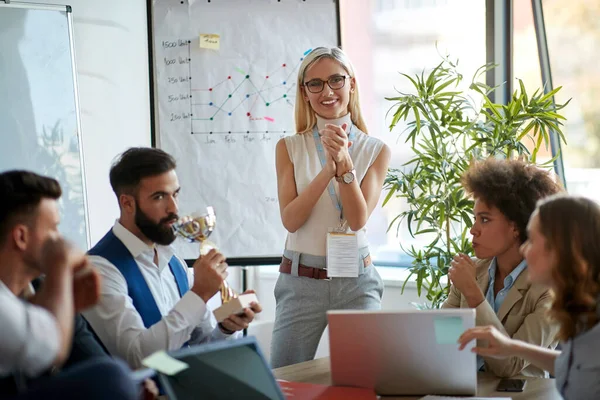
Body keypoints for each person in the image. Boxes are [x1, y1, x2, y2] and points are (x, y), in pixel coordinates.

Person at [83, 147, 262, 369]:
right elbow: (138, 359)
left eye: (175, 194)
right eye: (159, 197)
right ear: (127, 203)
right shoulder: (98, 270)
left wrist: (225, 327)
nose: (174, 209)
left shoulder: (174, 262)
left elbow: (199, 343)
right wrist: (200, 293)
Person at [272, 47, 391, 368]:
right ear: (305, 93)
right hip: (300, 282)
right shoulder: (289, 147)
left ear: (351, 84)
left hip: (356, 280)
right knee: (283, 380)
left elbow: (357, 219)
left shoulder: (376, 150)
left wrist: (346, 165)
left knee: (362, 380)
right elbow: (291, 220)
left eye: (336, 80)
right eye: (316, 84)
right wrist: (328, 169)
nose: (327, 91)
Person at [0, 170, 138, 400]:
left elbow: (92, 358)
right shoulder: (54, 283)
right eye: (53, 228)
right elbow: (49, 348)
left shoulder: (46, 288)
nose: (61, 240)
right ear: (21, 237)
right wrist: (61, 265)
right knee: (112, 379)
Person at [459, 195, 600, 400]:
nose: (524, 250)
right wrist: (512, 347)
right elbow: (574, 365)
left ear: (561, 248)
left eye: (532, 240)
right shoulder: (579, 307)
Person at [442, 158, 562, 377]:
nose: (473, 230)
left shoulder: (550, 287)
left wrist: (473, 294)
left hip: (521, 394)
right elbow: (443, 341)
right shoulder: (472, 271)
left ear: (515, 227)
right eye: (474, 219)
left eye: (484, 220)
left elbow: (510, 365)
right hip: (465, 387)